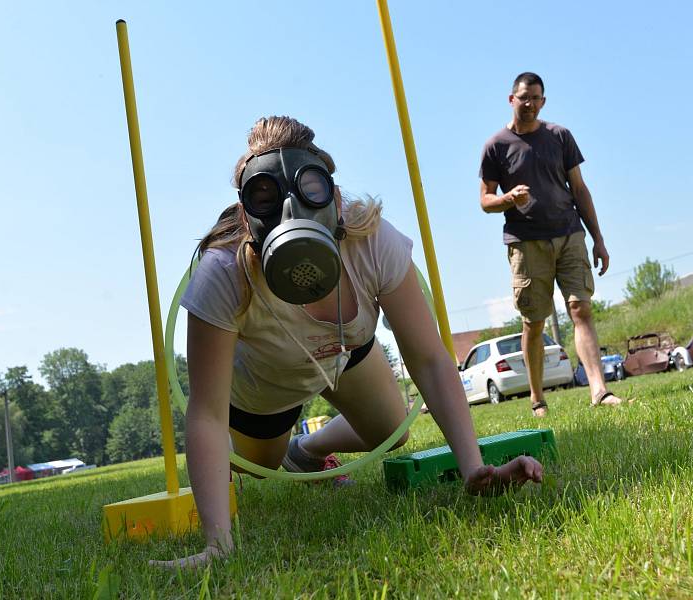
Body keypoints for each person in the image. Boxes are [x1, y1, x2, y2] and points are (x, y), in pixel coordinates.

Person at [155, 116, 543, 568]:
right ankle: (273, 452)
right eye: (264, 198)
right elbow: (206, 411)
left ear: (335, 197)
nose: (289, 212)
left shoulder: (372, 241)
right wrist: (218, 545)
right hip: (266, 382)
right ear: (246, 213)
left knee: (390, 430)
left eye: (310, 190)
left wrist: (474, 468)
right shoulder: (224, 273)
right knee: (253, 462)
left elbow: (432, 360)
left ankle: (309, 452)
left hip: (344, 353)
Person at [479, 72, 624, 417]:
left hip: (570, 233)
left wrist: (598, 239)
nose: (529, 104)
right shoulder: (495, 146)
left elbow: (580, 189)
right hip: (526, 243)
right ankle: (537, 399)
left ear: (543, 101)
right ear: (511, 99)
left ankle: (599, 390)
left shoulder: (560, 137)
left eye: (536, 99)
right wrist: (508, 199)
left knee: (581, 308)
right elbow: (485, 200)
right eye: (523, 98)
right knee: (534, 322)